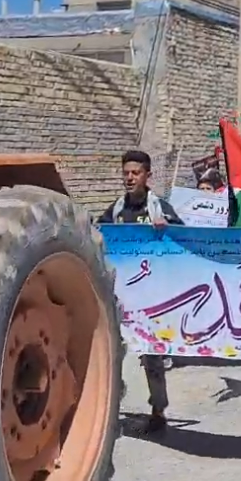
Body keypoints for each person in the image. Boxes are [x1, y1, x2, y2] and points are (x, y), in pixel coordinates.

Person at [96, 150, 183, 435]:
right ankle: (107, 411)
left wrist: (167, 230)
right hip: (121, 293)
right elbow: (98, 232)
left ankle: (158, 411)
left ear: (147, 176)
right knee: (108, 352)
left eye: (135, 173)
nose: (129, 177)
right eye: (126, 173)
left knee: (151, 356)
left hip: (152, 295)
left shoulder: (161, 209)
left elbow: (184, 241)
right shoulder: (117, 210)